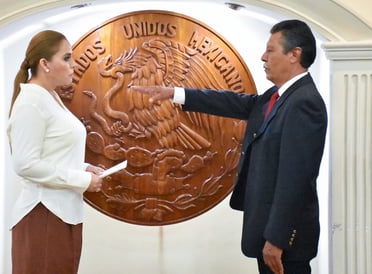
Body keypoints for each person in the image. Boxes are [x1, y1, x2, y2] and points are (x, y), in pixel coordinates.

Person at [129, 19, 327, 274]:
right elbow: (234, 102)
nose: (263, 57)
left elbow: (295, 179)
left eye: (270, 50)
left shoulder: (304, 103)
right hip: (269, 231)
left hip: (286, 241)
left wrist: (277, 239)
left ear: (294, 54)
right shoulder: (277, 96)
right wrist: (176, 93)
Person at [7, 30, 104, 274]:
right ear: (45, 64)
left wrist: (84, 168)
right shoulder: (31, 102)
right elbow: (25, 164)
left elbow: (54, 154)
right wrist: (81, 179)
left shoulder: (49, 97)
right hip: (44, 215)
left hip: (62, 214)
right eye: (67, 58)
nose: (73, 65)